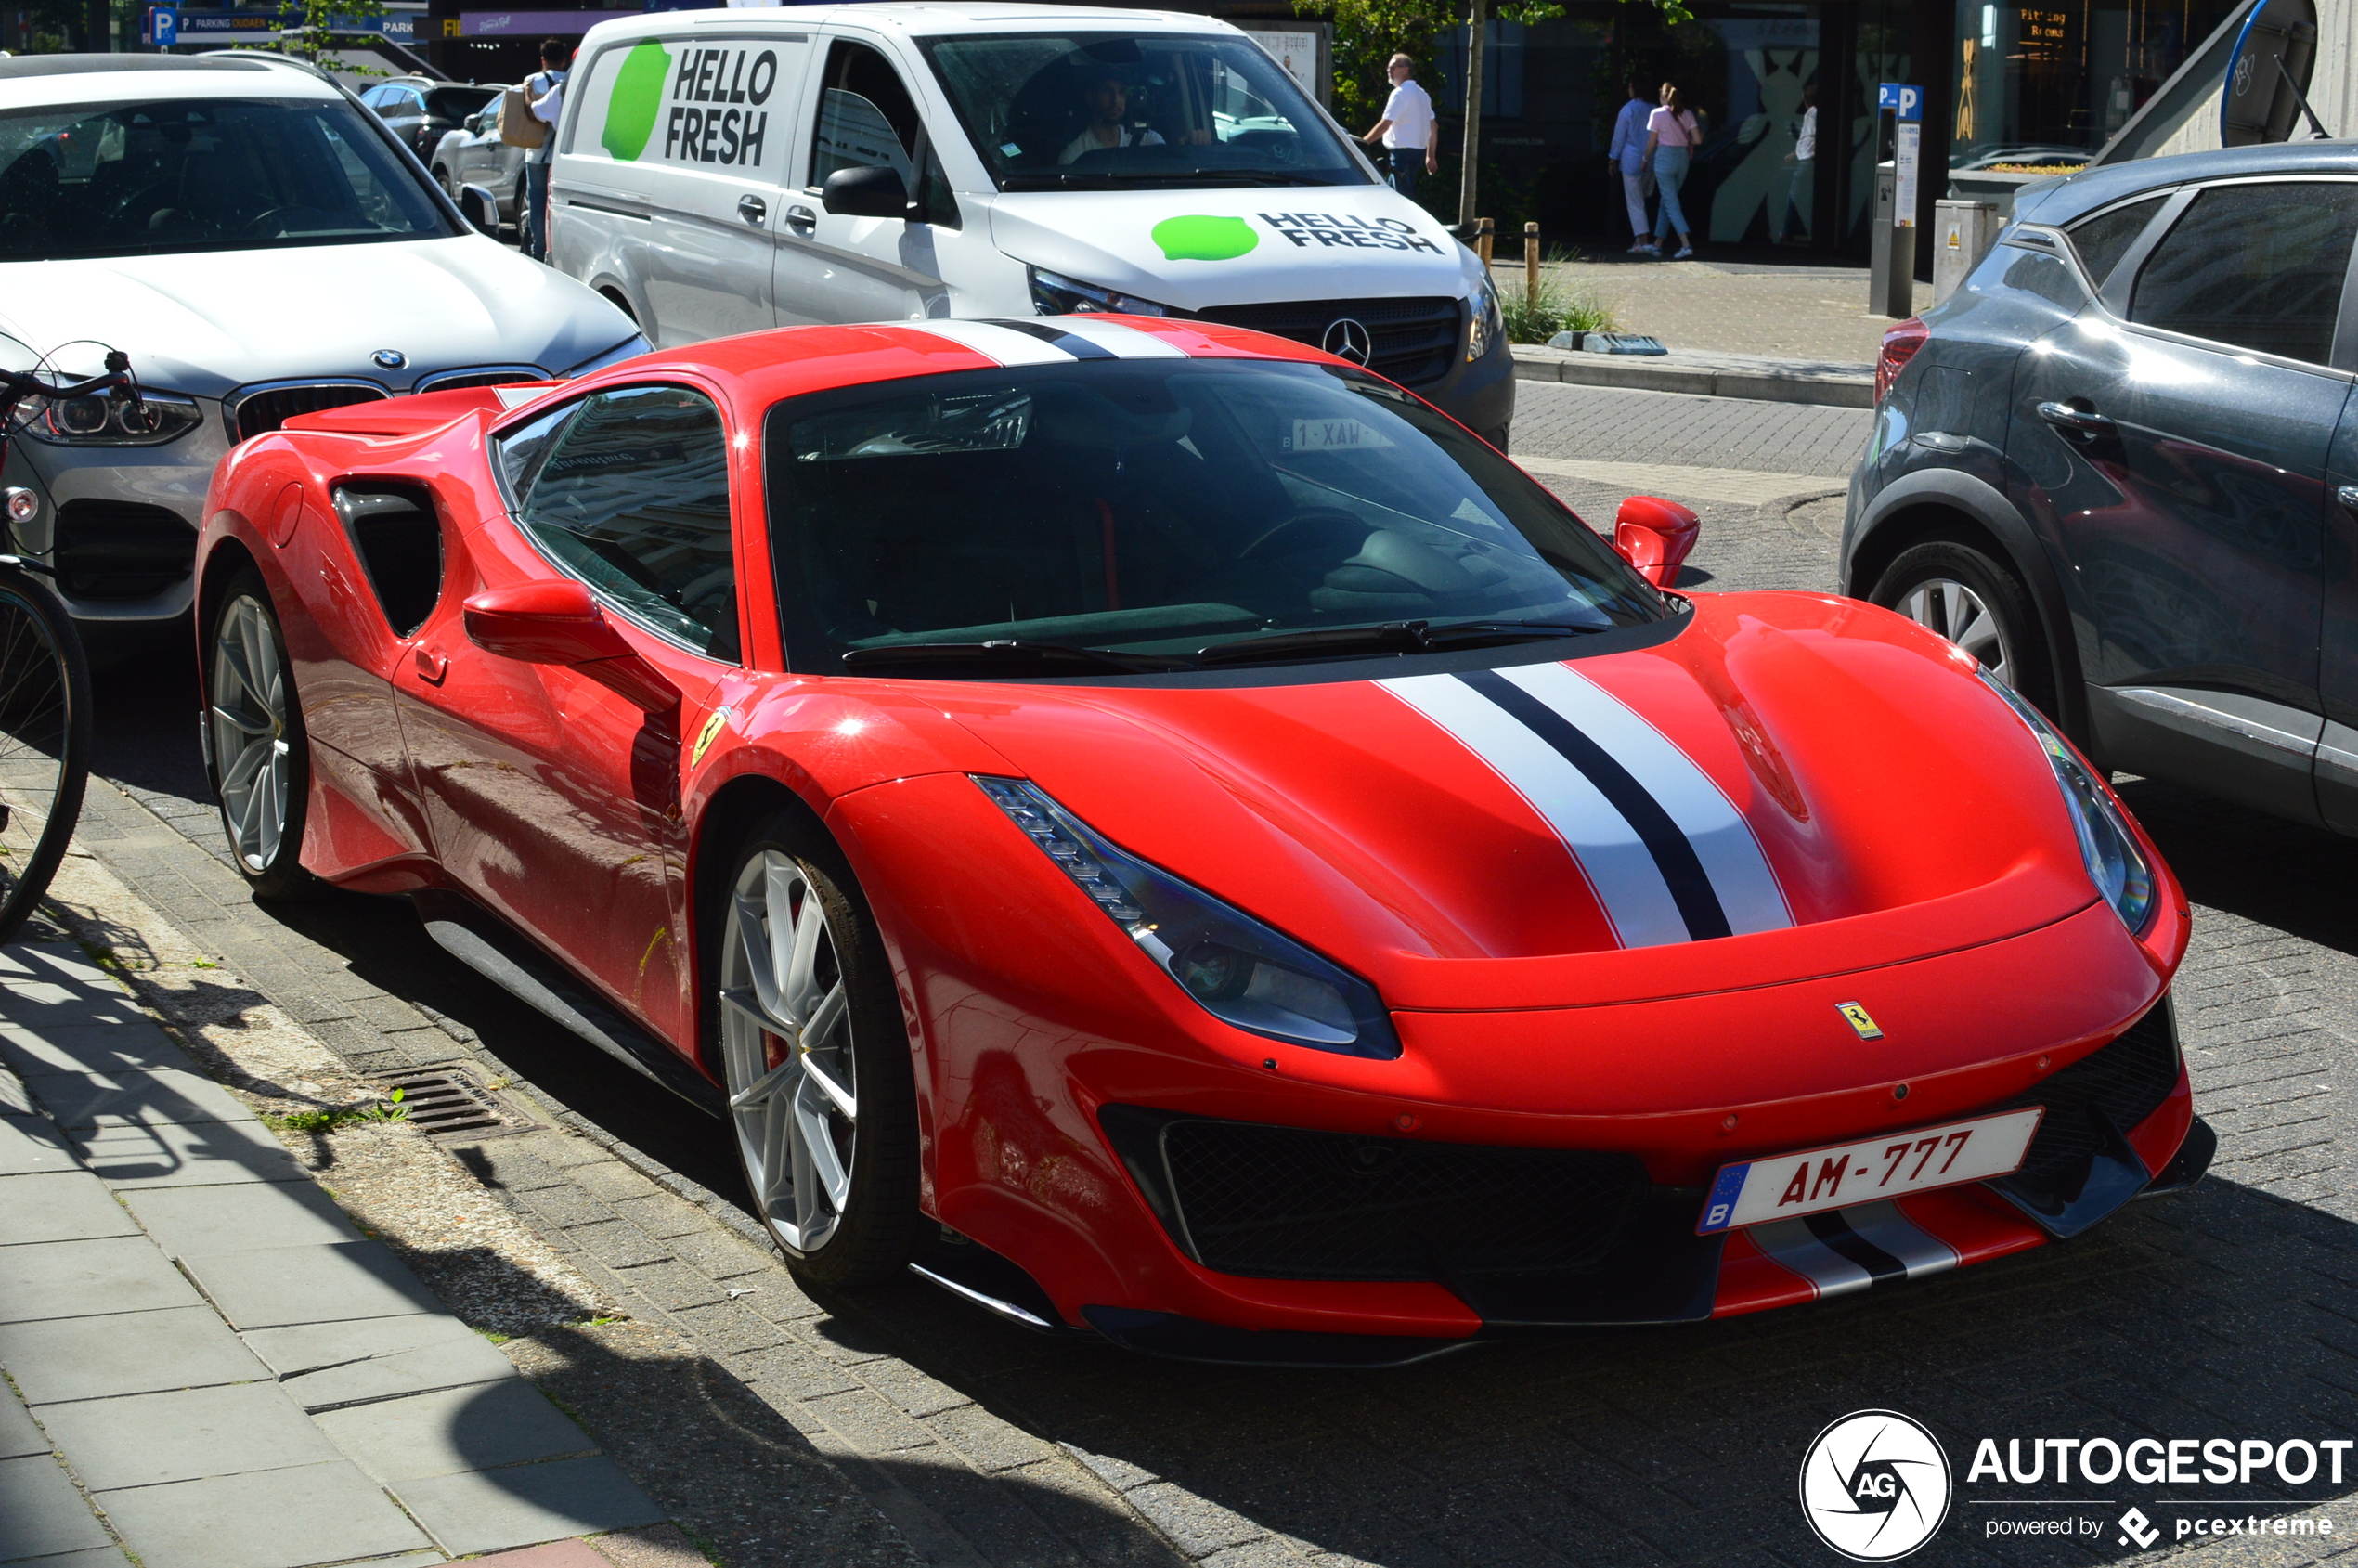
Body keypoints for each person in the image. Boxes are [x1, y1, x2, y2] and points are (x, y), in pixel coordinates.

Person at [1360, 54, 1436, 199]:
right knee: (1392, 196)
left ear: (1406, 70)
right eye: (1388, 67)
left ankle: (1407, 221)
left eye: (1393, 67)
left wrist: (1361, 144)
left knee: (1401, 197)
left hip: (1402, 153)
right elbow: (1434, 126)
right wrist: (1430, 156)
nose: (1389, 70)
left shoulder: (1400, 93)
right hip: (1418, 153)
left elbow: (1385, 125)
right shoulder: (1423, 94)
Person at [1056, 69, 1164, 164]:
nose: (1115, 100)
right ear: (1090, 97)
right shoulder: (1074, 156)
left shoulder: (1146, 140)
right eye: (1106, 91)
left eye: (1121, 92)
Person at [1643, 82, 1700, 260]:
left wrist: (1645, 159)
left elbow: (1652, 142)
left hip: (1665, 158)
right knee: (1667, 201)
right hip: (1682, 159)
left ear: (1662, 96)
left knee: (1671, 202)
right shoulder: (1688, 113)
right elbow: (1698, 140)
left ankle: (1686, 243)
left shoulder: (1657, 114)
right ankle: (1657, 245)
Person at [525, 38, 568, 263]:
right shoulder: (574, 81)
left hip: (537, 154)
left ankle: (538, 252)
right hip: (562, 157)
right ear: (564, 59)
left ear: (543, 59)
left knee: (538, 206)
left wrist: (527, 94)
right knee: (557, 208)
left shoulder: (534, 81)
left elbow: (532, 113)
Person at [1605, 77, 1653, 253]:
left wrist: (1613, 159)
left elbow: (1619, 137)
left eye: (1630, 86)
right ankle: (1640, 239)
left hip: (1631, 161)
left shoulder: (1628, 109)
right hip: (1651, 160)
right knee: (1643, 198)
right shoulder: (1654, 109)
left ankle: (1642, 241)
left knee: (1635, 202)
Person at [1771, 82, 1817, 246]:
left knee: (1795, 195)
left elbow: (1815, 137)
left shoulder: (1812, 114)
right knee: (1802, 197)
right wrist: (1795, 154)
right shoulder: (1811, 113)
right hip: (1805, 159)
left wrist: (1810, 154)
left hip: (1808, 161)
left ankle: (1786, 231)